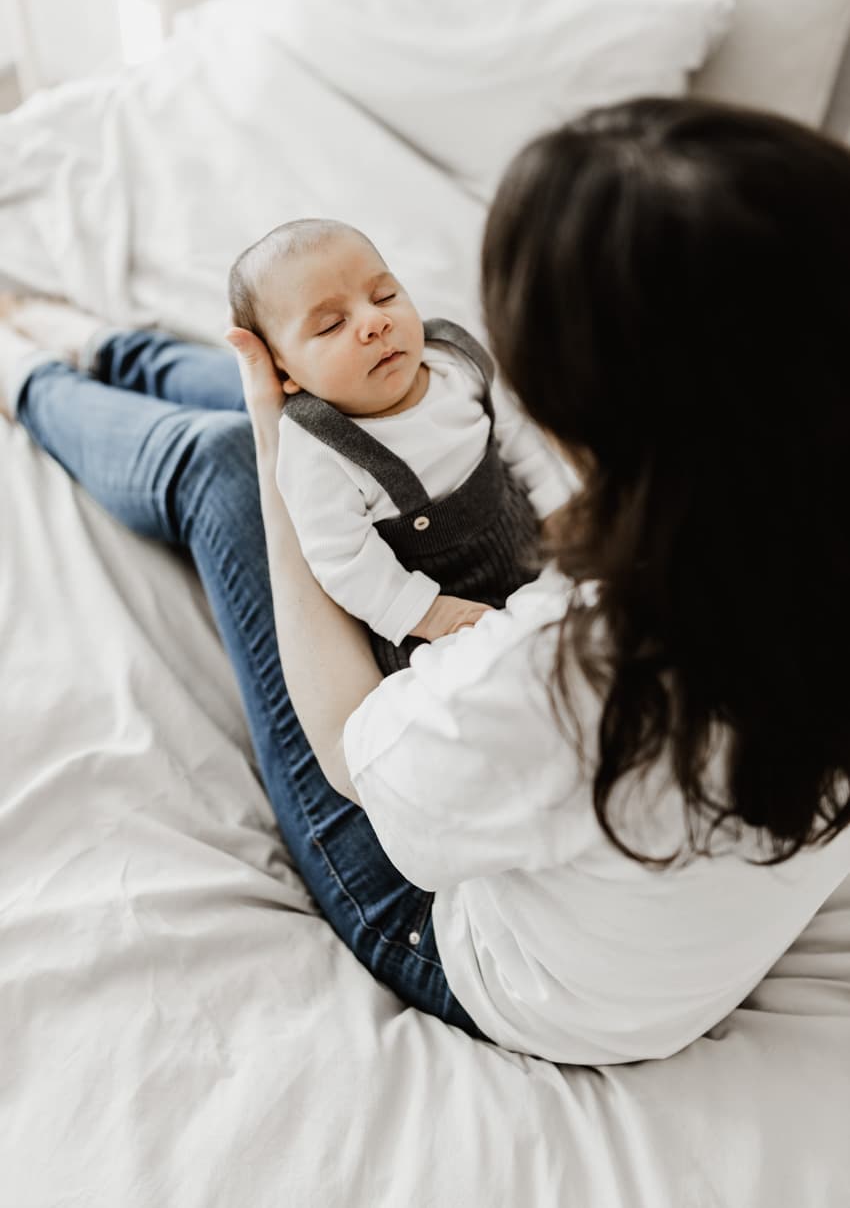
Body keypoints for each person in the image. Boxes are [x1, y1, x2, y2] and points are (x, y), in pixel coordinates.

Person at [3, 96, 850, 1065]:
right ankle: (116, 348)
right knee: (349, 420)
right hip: (649, 906)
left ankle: (28, 375)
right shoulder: (784, 512)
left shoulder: (574, 673)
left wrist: (279, 446)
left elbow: (350, 758)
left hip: (484, 953)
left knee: (232, 469)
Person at [227, 217, 578, 673]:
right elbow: (343, 557)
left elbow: (515, 440)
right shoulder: (317, 447)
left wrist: (557, 509)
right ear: (285, 372)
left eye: (384, 296)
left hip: (532, 553)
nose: (376, 322)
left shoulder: (455, 361)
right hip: (433, 618)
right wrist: (428, 613)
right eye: (332, 325)